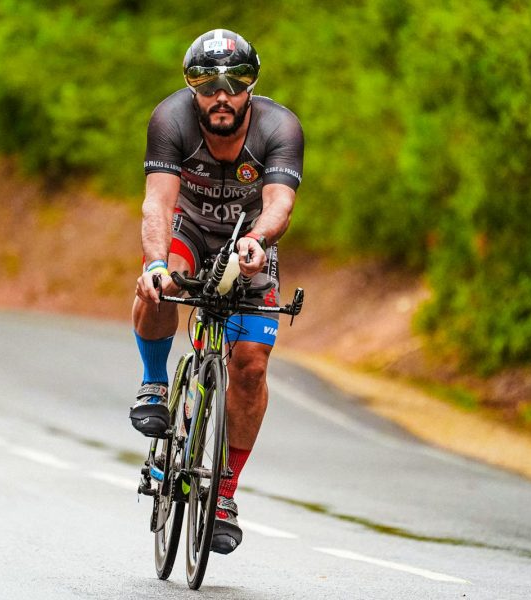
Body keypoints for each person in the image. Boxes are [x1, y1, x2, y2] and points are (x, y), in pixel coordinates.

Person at [129, 29, 304, 555]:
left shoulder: (280, 127)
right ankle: (155, 384)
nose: (221, 94)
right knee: (157, 287)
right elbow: (157, 205)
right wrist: (157, 264)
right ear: (191, 88)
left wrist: (257, 240)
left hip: (249, 240)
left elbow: (279, 203)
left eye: (236, 82)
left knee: (250, 363)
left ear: (252, 86)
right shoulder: (170, 120)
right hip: (188, 231)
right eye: (207, 84)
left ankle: (223, 492)